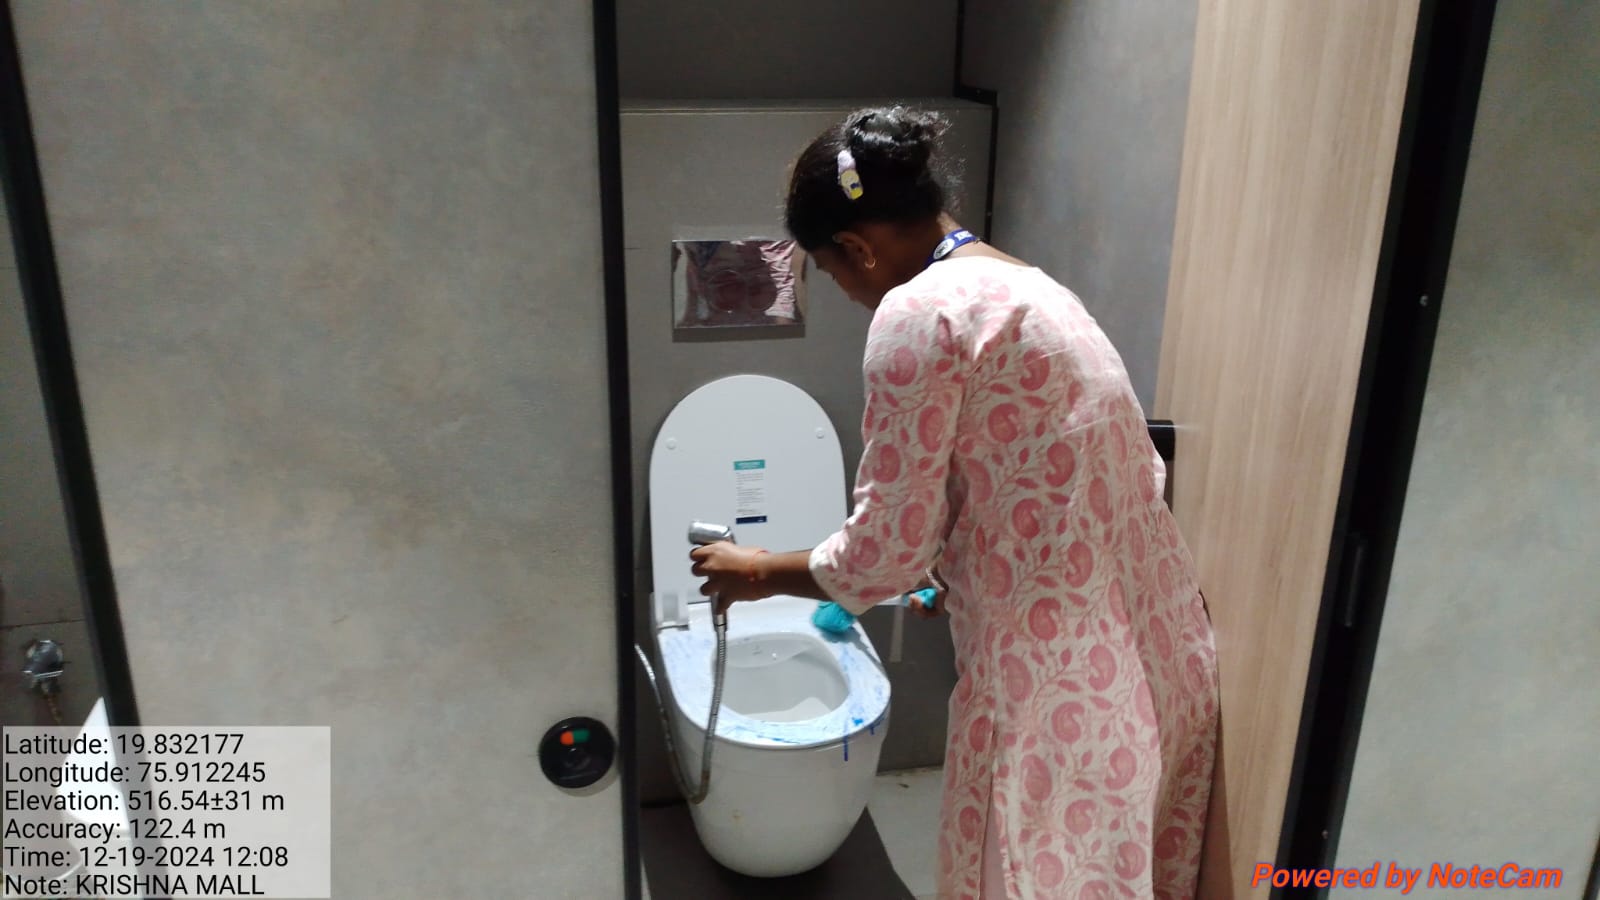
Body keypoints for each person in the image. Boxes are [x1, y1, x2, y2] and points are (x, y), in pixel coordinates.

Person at [689, 106, 1219, 899]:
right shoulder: (1036, 289)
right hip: (1157, 648)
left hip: (1053, 684)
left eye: (832, 273)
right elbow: (1059, 478)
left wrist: (755, 571)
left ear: (858, 248)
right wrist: (963, 568)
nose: (851, 294)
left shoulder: (918, 313)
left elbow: (883, 556)